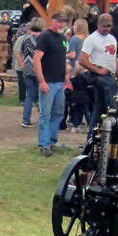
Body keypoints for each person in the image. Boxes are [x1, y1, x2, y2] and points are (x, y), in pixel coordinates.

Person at [32, 13, 70, 156]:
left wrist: (66, 72)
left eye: (64, 22)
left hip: (60, 82)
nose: (62, 25)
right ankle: (44, 144)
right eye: (60, 22)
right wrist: (42, 81)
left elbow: (63, 58)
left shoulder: (63, 38)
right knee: (45, 114)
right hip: (48, 82)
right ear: (52, 21)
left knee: (58, 113)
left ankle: (52, 141)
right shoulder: (45, 37)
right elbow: (36, 59)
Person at [79, 13, 118, 131]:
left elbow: (114, 59)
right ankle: (113, 112)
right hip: (96, 74)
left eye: (109, 26)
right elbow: (82, 60)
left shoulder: (112, 39)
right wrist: (97, 70)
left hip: (109, 74)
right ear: (98, 25)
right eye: (104, 26)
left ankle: (94, 133)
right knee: (108, 86)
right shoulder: (91, 39)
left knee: (99, 108)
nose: (107, 29)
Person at [64, 18, 89, 132]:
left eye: (75, 25)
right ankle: (81, 120)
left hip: (75, 68)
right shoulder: (88, 39)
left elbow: (72, 55)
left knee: (73, 95)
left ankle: (74, 119)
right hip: (86, 68)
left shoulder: (74, 39)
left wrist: (63, 55)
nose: (73, 27)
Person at [15, 20, 41, 128]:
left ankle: (26, 120)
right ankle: (42, 119)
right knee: (41, 95)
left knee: (29, 95)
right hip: (39, 69)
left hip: (28, 69)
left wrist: (24, 63)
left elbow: (21, 51)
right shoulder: (42, 39)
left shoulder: (25, 39)